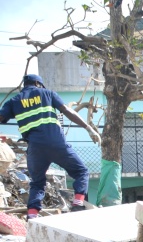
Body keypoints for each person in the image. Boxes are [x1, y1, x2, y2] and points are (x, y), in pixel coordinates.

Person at [0, 74, 99, 219]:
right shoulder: (47, 94)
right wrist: (88, 127)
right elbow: (67, 110)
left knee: (37, 183)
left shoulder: (14, 101)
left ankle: (32, 216)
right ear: (37, 83)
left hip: (35, 148)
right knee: (81, 171)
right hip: (57, 144)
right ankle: (77, 204)